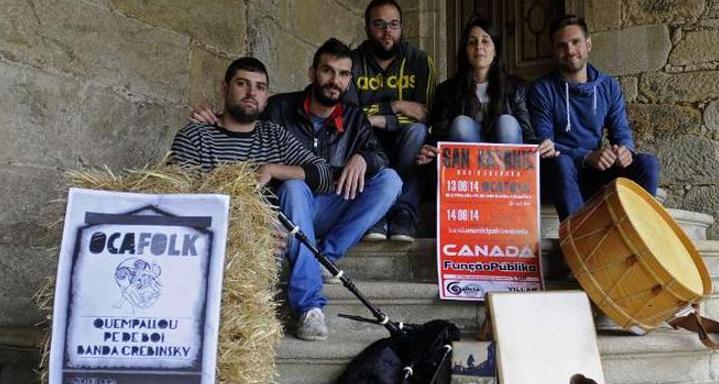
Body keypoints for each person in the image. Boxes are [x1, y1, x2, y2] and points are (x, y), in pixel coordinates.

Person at [173, 56, 397, 342]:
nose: (251, 93)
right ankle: (305, 293)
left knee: (298, 187)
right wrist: (251, 231)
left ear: (267, 97)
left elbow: (322, 173)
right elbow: (178, 204)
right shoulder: (196, 137)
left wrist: (273, 170)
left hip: (288, 225)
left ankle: (314, 284)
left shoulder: (273, 135)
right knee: (291, 196)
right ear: (225, 88)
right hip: (240, 241)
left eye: (260, 87)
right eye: (242, 84)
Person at [529, 15, 659, 221]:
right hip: (560, 175)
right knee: (560, 163)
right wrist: (587, 156)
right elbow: (547, 146)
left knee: (647, 163)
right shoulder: (542, 90)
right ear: (554, 50)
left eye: (575, 42)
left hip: (596, 173)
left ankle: (635, 234)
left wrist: (624, 151)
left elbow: (621, 131)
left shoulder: (608, 86)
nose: (570, 50)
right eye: (562, 45)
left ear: (588, 44)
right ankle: (580, 241)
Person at [347, 0, 436, 242]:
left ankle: (404, 212)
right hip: (367, 141)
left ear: (402, 27)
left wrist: (377, 117)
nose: (388, 31)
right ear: (367, 28)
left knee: (418, 132)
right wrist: (396, 106)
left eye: (394, 24)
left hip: (407, 142)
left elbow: (425, 115)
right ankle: (376, 211)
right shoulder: (353, 62)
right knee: (360, 134)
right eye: (380, 24)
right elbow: (350, 116)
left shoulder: (419, 61)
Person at [430, 16, 537, 145]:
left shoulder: (516, 88)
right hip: (467, 157)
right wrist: (430, 148)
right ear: (465, 51)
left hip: (504, 157)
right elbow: (439, 133)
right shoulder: (447, 90)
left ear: (495, 50)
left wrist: (542, 145)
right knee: (461, 124)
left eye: (485, 41)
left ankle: (502, 166)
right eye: (472, 42)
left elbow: (526, 132)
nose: (478, 46)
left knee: (507, 123)